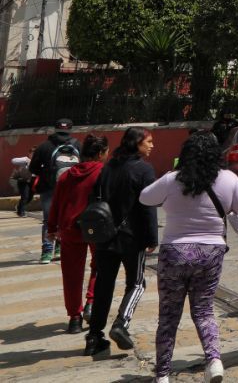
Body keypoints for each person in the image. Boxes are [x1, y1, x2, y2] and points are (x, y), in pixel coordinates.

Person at [141, 131, 238, 383]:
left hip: (174, 253)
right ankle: (214, 361)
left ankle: (162, 375)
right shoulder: (229, 178)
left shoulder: (172, 179)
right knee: (203, 311)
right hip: (211, 252)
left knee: (169, 316)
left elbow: (144, 197)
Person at [85, 126, 157, 357]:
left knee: (104, 285)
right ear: (137, 143)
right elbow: (148, 207)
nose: (152, 145)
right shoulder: (144, 170)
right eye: (148, 141)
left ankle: (94, 336)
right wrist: (151, 237)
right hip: (131, 237)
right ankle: (121, 324)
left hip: (105, 236)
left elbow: (95, 199)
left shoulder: (108, 168)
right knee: (136, 283)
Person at [49, 134, 108, 334]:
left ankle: (75, 317)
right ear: (100, 153)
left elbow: (56, 204)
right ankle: (91, 302)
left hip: (69, 229)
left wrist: (51, 228)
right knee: (99, 265)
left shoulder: (66, 176)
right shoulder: (103, 172)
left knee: (71, 275)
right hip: (97, 227)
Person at [31, 117, 81, 265]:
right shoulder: (78, 145)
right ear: (70, 129)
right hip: (70, 189)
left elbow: (32, 168)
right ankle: (59, 249)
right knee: (64, 218)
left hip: (48, 188)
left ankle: (46, 252)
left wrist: (46, 172)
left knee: (48, 220)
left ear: (55, 128)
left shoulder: (44, 146)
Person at [11, 147, 34, 217]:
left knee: (30, 197)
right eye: (32, 153)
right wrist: (26, 160)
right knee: (25, 196)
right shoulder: (25, 160)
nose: (34, 154)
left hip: (32, 181)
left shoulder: (37, 161)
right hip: (23, 181)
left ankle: (19, 207)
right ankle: (21, 212)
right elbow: (13, 160)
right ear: (29, 153)